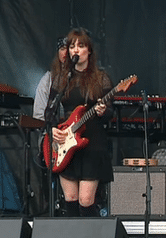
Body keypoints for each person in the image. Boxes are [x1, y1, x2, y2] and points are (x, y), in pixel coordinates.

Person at [45, 27, 114, 217]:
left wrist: (102, 111)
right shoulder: (61, 78)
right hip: (66, 142)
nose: (76, 50)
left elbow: (110, 111)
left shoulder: (101, 78)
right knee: (71, 199)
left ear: (89, 51)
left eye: (80, 46)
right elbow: (49, 111)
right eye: (72, 46)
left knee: (86, 200)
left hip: (91, 142)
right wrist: (52, 130)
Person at [33, 37, 67, 121]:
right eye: (62, 49)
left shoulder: (82, 78)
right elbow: (39, 115)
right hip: (54, 130)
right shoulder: (48, 79)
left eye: (69, 48)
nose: (65, 52)